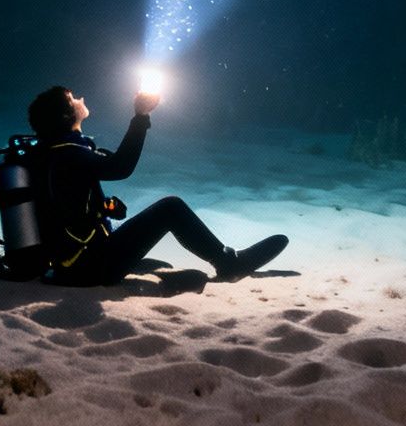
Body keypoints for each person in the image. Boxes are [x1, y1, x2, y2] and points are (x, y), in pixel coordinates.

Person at [25, 83, 288, 286]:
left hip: (69, 264)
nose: (80, 99)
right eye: (73, 99)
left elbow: (64, 204)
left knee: (153, 248)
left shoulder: (51, 152)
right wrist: (140, 116)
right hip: (89, 269)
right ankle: (229, 263)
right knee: (170, 208)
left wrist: (103, 207)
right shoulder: (69, 153)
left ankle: (113, 258)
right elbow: (121, 167)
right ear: (64, 116)